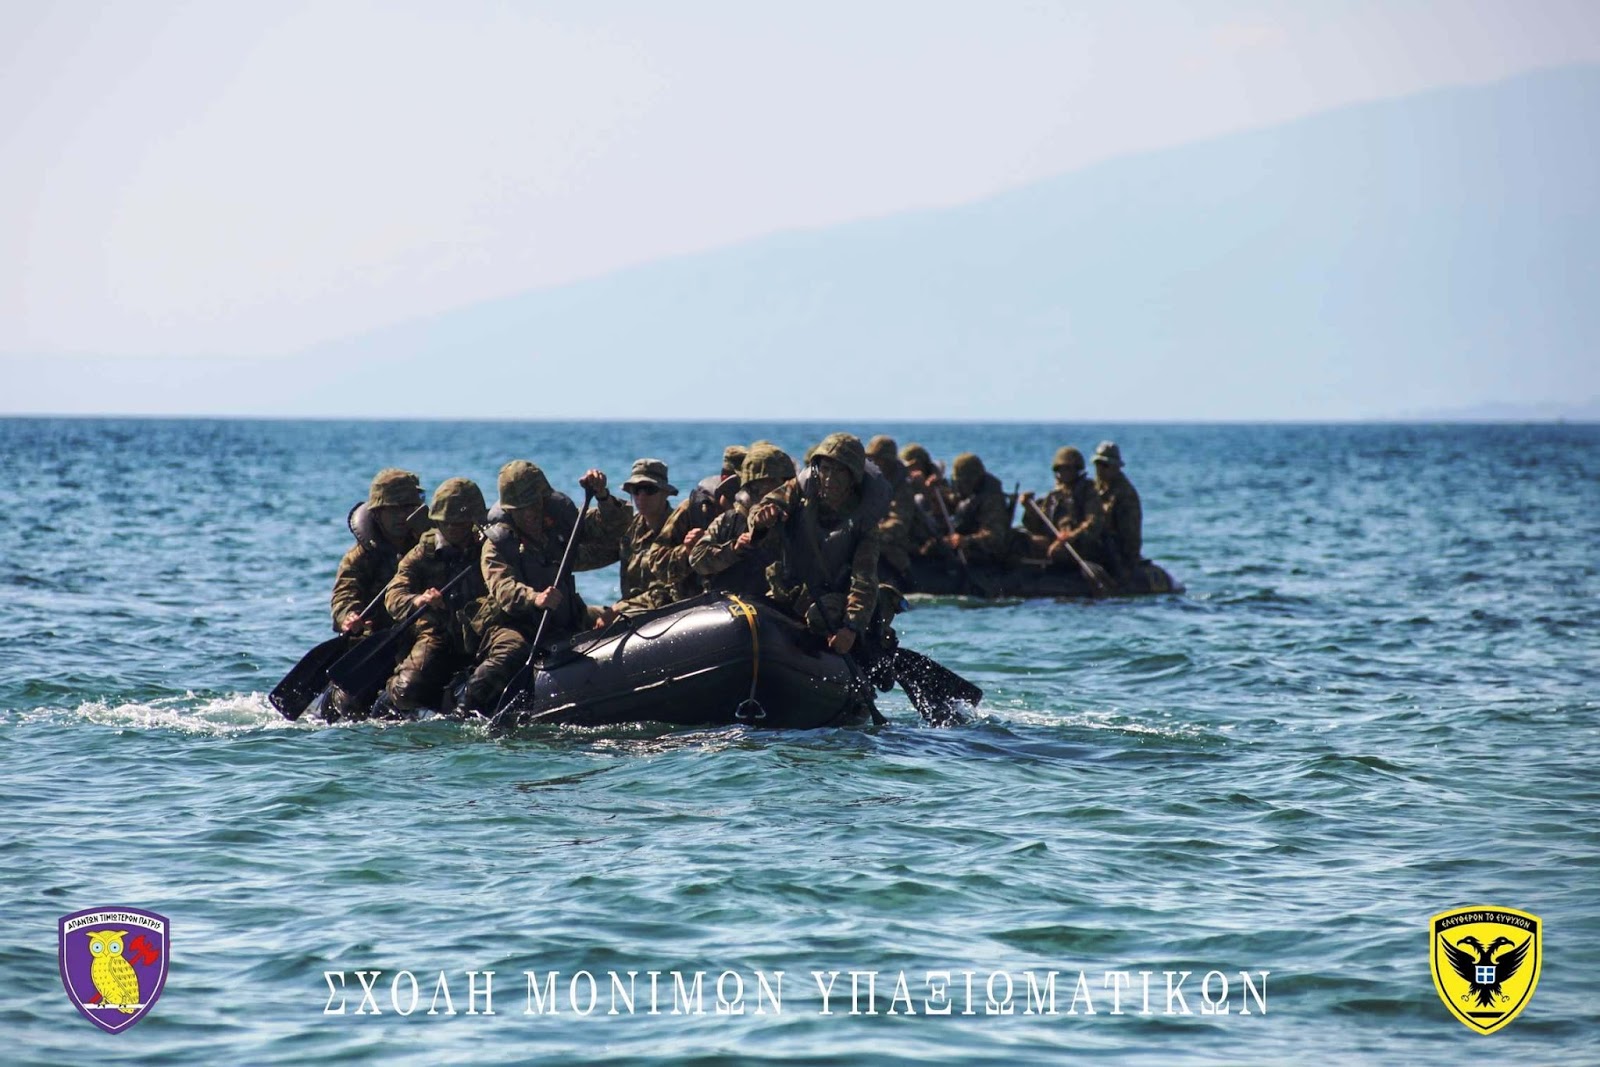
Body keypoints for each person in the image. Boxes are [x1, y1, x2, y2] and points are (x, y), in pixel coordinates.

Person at [461, 461, 629, 711]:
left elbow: (611, 529)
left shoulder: (558, 528)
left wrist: (602, 496)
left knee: (616, 620)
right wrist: (534, 598)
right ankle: (465, 706)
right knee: (511, 652)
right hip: (515, 623)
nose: (528, 514)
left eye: (533, 505)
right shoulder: (498, 543)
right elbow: (503, 588)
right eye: (520, 509)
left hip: (561, 617)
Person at [747, 432, 894, 662]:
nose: (829, 478)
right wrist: (761, 519)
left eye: (839, 472)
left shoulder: (864, 523)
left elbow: (864, 581)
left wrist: (851, 627)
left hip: (834, 601)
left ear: (853, 477)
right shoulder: (799, 491)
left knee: (819, 615)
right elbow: (764, 506)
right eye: (825, 469)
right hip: (791, 592)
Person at [379, 477, 491, 713]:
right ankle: (385, 696)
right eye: (446, 523)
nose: (452, 529)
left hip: (484, 632)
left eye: (460, 523)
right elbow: (394, 595)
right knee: (406, 690)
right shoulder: (424, 552)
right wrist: (419, 600)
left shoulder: (489, 547)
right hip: (438, 635)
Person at [688, 443, 796, 597]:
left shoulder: (798, 519)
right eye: (759, 487)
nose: (777, 492)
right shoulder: (731, 520)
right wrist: (734, 550)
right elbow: (697, 559)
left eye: (781, 485)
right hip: (734, 604)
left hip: (780, 607)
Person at [330, 468, 426, 635]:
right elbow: (344, 595)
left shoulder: (427, 542)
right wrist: (349, 617)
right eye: (393, 509)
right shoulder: (360, 557)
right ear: (377, 512)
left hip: (425, 627)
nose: (402, 515)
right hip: (378, 634)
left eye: (408, 507)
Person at [614, 458, 704, 613]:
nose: (641, 497)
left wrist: (619, 610)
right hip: (629, 611)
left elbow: (667, 593)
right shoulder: (631, 529)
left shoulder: (679, 529)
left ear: (665, 493)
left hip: (664, 614)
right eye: (636, 490)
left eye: (649, 489)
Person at [1020, 446, 1105, 566]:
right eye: (1062, 469)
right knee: (1020, 541)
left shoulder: (1088, 492)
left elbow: (1094, 523)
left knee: (1057, 552)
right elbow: (1038, 526)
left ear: (1077, 470)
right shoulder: (1054, 495)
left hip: (1079, 544)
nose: (1065, 473)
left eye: (1069, 469)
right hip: (1055, 540)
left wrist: (1071, 536)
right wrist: (1029, 509)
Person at [865, 435, 919, 589]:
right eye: (871, 459)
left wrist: (870, 532)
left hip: (894, 544)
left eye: (877, 459)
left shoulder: (902, 487)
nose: (873, 463)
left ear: (888, 461)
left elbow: (899, 523)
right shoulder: (871, 481)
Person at [944, 452, 1015, 566]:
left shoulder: (991, 500)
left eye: (963, 482)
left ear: (973, 480)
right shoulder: (969, 494)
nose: (960, 487)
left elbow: (995, 537)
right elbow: (954, 503)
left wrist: (966, 541)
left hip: (985, 556)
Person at [1091, 440, 1143, 582]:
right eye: (1097, 464)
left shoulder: (1125, 494)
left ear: (1116, 467)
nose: (1100, 469)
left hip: (1116, 550)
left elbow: (1129, 535)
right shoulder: (1095, 488)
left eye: (1105, 465)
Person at [897, 442, 949, 557]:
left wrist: (927, 492)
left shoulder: (938, 487)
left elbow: (943, 523)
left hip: (934, 540)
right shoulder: (904, 484)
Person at [684, 444, 746, 532]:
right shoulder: (692, 508)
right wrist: (688, 545)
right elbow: (659, 544)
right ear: (724, 478)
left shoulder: (748, 510)